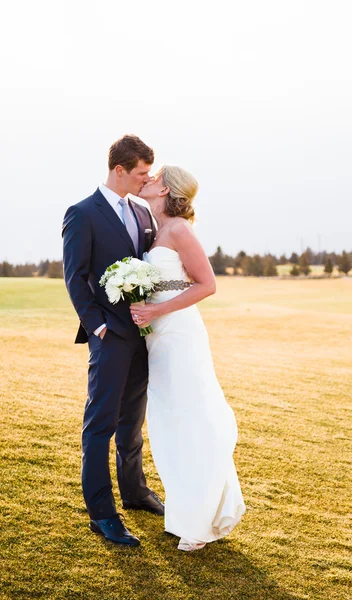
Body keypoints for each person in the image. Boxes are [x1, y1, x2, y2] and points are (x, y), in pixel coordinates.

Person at [131, 166, 246, 551]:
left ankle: (198, 522)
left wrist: (155, 312)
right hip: (158, 338)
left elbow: (207, 284)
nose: (144, 178)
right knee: (168, 422)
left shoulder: (178, 229)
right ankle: (187, 511)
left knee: (191, 417)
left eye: (152, 175)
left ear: (164, 187)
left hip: (179, 335)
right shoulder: (154, 227)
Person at [62, 135, 164, 547]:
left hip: (141, 336)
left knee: (131, 423)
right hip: (109, 336)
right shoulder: (82, 213)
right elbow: (75, 276)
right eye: (140, 173)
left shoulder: (142, 212)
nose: (145, 180)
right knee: (100, 424)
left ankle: (136, 493)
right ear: (119, 169)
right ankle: (101, 514)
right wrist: (98, 326)